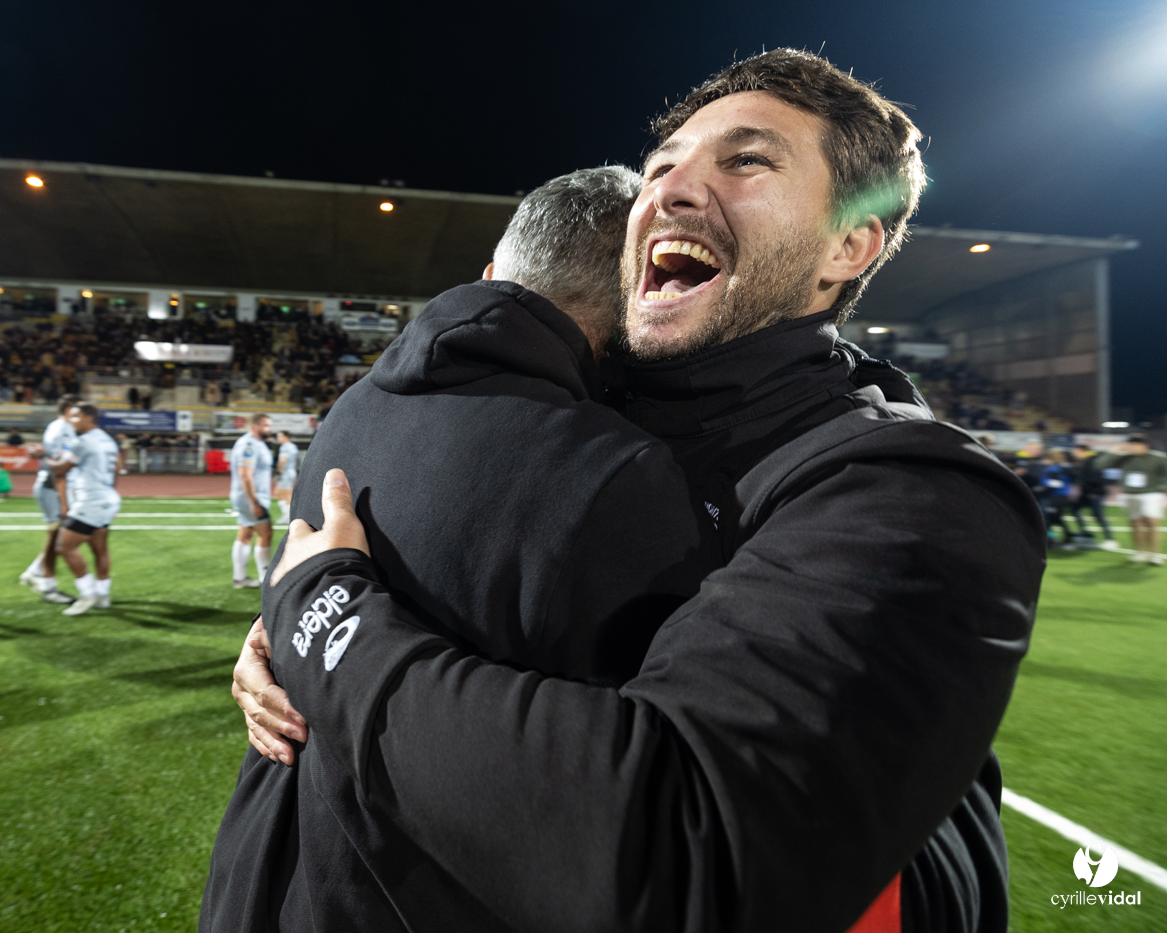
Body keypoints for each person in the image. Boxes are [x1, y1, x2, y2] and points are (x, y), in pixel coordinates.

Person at [234, 50, 1044, 933]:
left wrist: (329, 627)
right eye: (663, 166)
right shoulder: (578, 420)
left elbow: (684, 855)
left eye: (746, 161)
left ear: (849, 245)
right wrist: (278, 646)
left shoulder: (908, 489)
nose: (671, 189)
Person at [201, 168, 707, 932]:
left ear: (491, 275)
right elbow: (630, 794)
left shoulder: (353, 406)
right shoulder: (620, 470)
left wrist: (290, 634)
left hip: (260, 869)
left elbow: (310, 591)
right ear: (640, 293)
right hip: (406, 895)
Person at [44, 404, 123, 615]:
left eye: (76, 417)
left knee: (64, 547)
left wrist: (43, 455)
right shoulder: (107, 440)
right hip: (108, 498)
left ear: (89, 418)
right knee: (100, 549)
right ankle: (102, 595)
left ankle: (87, 594)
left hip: (91, 502)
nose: (71, 421)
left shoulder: (83, 442)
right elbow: (117, 469)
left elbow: (60, 468)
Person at [19, 395, 82, 604]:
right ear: (68, 410)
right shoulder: (61, 429)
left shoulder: (62, 428)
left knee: (63, 537)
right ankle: (43, 581)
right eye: (77, 410)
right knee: (62, 537)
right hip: (52, 487)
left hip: (56, 487)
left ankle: (35, 573)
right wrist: (63, 500)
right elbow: (58, 467)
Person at [1098, 433, 1167, 564]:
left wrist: (1161, 488)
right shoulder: (1124, 458)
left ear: (1145, 445)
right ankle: (1139, 552)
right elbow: (1100, 465)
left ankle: (1154, 555)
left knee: (1151, 522)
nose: (1133, 447)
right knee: (1135, 523)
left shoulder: (1159, 458)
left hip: (1151, 493)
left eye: (1136, 445)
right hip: (1129, 494)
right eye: (1131, 445)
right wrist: (1115, 451)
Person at [229, 413, 274, 588]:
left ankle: (239, 579)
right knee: (266, 533)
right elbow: (245, 475)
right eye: (266, 426)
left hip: (247, 497)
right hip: (250, 498)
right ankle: (264, 577)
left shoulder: (256, 444)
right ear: (255, 425)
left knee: (245, 534)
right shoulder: (249, 445)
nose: (269, 429)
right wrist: (254, 502)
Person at [1068, 443, 1112, 547]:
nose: (1074, 454)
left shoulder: (1092, 461)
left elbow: (1096, 478)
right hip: (1086, 493)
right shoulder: (1083, 462)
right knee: (1075, 510)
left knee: (1098, 515)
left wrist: (1094, 492)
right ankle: (1086, 533)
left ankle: (1110, 539)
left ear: (1081, 451)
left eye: (1075, 451)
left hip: (1094, 493)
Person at [270, 430, 298, 520]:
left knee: (284, 494)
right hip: (291, 471)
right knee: (281, 492)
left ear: (285, 437)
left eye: (279, 436)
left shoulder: (285, 447)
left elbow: (283, 460)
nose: (277, 438)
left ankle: (288, 515)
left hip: (285, 472)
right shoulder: (293, 446)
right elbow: (295, 461)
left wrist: (279, 471)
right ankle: (287, 514)